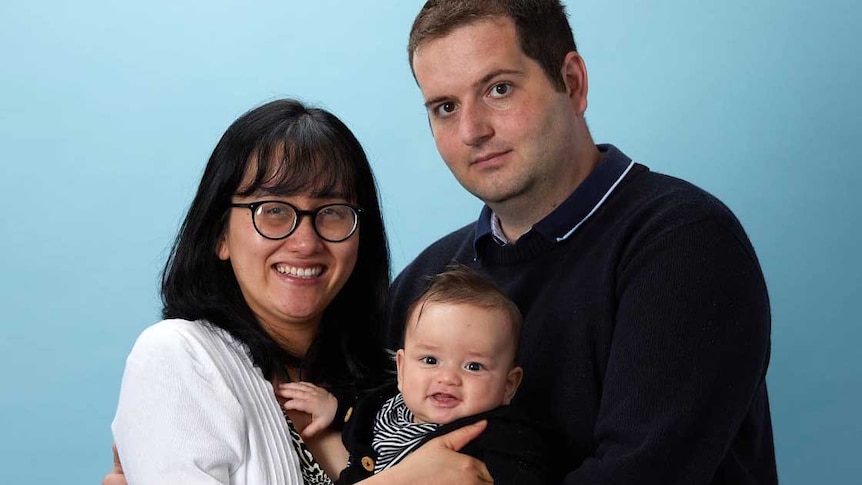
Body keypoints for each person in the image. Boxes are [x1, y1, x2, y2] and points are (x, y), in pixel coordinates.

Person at [385, 0, 778, 484]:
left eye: (499, 89)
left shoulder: (684, 245)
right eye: (445, 107)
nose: (472, 131)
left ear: (572, 83)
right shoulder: (426, 282)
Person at [109, 99, 494, 485]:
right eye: (273, 210)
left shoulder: (403, 378)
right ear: (220, 234)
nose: (305, 243)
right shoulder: (177, 357)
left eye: (333, 211)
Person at [279, 264, 551, 484]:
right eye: (431, 360)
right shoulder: (386, 405)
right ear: (402, 368)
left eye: (473, 366)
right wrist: (336, 409)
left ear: (509, 385)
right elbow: (359, 414)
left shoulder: (504, 436)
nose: (448, 378)